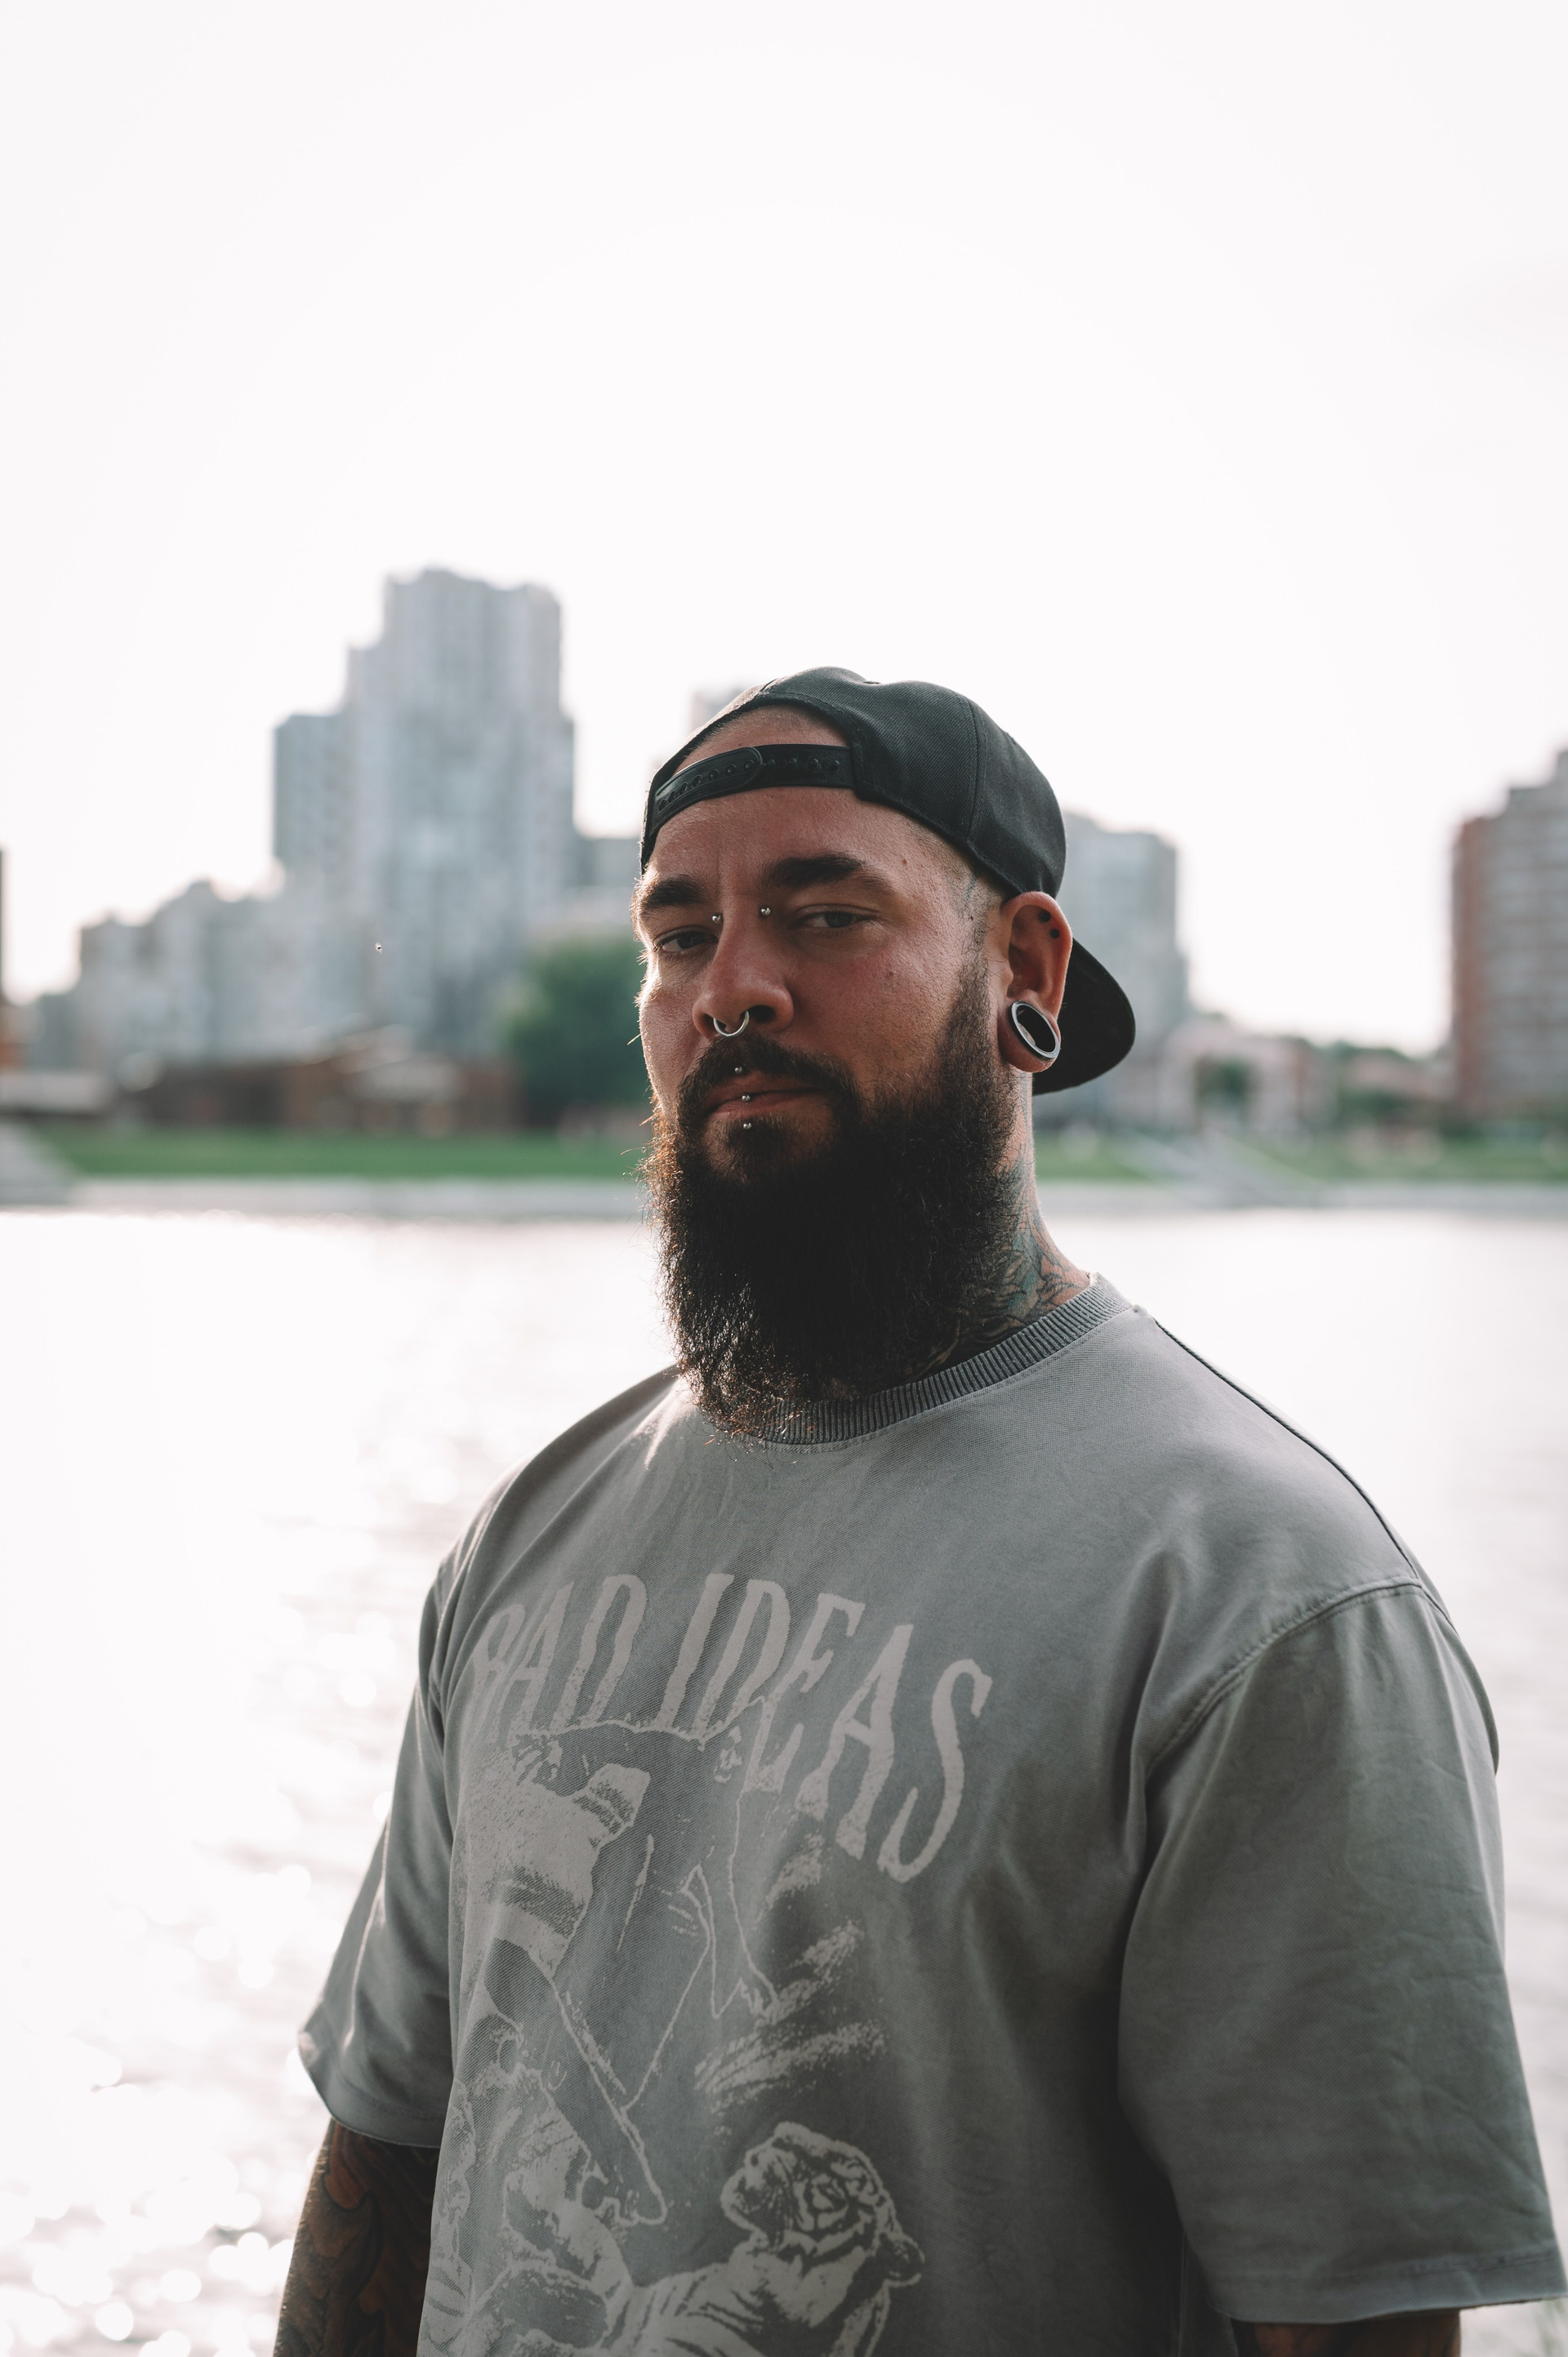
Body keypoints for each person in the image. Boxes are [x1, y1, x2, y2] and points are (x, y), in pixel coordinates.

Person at [277, 671, 1563, 2357]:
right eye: (680, 935)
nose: (732, 986)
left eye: (825, 914)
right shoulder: (533, 1532)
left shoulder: (1262, 1602)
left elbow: (1350, 2316)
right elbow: (390, 2145)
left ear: (1026, 971)